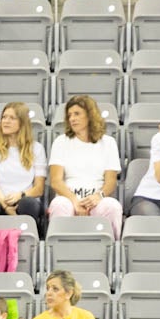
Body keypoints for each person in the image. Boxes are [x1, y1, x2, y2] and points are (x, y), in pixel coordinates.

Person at [49, 94, 123, 236]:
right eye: (69, 115)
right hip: (69, 197)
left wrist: (98, 196)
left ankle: (113, 251)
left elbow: (111, 181)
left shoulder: (108, 143)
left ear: (90, 116)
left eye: (77, 114)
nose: (72, 118)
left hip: (96, 197)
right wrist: (75, 201)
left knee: (112, 207)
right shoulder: (61, 142)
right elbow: (56, 181)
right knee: (58, 205)